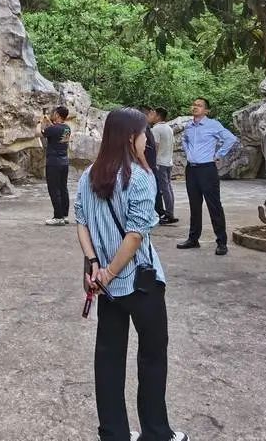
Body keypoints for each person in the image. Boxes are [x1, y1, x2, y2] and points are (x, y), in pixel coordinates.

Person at [75, 108, 187, 441]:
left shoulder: (89, 174)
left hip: (108, 290)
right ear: (130, 138)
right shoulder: (140, 177)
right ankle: (156, 432)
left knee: (108, 359)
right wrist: (108, 272)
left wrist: (94, 265)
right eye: (143, 134)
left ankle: (114, 434)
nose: (146, 140)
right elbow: (136, 234)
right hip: (140, 283)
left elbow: (81, 221)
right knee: (152, 356)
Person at [177, 98, 237, 256]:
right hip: (191, 170)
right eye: (194, 104)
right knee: (194, 205)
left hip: (207, 169)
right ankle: (193, 239)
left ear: (207, 111)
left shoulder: (213, 125)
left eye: (199, 105)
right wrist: (189, 153)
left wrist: (219, 154)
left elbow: (230, 138)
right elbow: (184, 141)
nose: (195, 107)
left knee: (214, 205)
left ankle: (221, 242)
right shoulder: (189, 126)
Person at [40, 105, 72, 226]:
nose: (53, 114)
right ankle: (64, 215)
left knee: (54, 189)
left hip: (53, 163)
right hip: (64, 162)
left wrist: (39, 122)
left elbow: (39, 133)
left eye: (54, 113)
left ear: (58, 115)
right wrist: (48, 121)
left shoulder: (53, 129)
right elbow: (55, 130)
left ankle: (57, 217)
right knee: (63, 188)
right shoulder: (67, 128)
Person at [149, 108, 178, 224]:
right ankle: (170, 212)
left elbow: (155, 147)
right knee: (168, 188)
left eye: (154, 114)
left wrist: (152, 162)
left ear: (158, 116)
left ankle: (169, 214)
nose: (152, 116)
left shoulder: (156, 129)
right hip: (168, 162)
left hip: (160, 162)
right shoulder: (169, 128)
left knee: (163, 189)